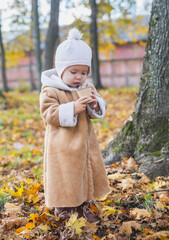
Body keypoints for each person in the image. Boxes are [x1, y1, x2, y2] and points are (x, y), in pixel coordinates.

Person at [40, 28, 110, 223]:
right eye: (73, 72)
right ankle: (63, 208)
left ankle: (82, 206)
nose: (79, 77)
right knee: (65, 176)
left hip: (84, 143)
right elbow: (48, 113)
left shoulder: (87, 88)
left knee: (83, 174)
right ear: (61, 69)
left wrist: (95, 106)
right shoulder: (51, 90)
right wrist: (72, 108)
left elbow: (96, 108)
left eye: (84, 72)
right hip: (61, 146)